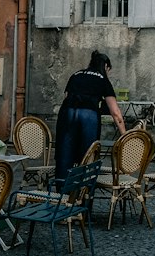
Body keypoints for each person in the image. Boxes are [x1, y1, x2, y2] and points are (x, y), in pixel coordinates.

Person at [54, 50, 127, 181]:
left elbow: (66, 97)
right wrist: (125, 136)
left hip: (67, 113)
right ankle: (85, 192)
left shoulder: (75, 75)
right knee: (89, 153)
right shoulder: (102, 79)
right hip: (88, 115)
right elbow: (115, 113)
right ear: (105, 66)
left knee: (64, 152)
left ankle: (63, 192)